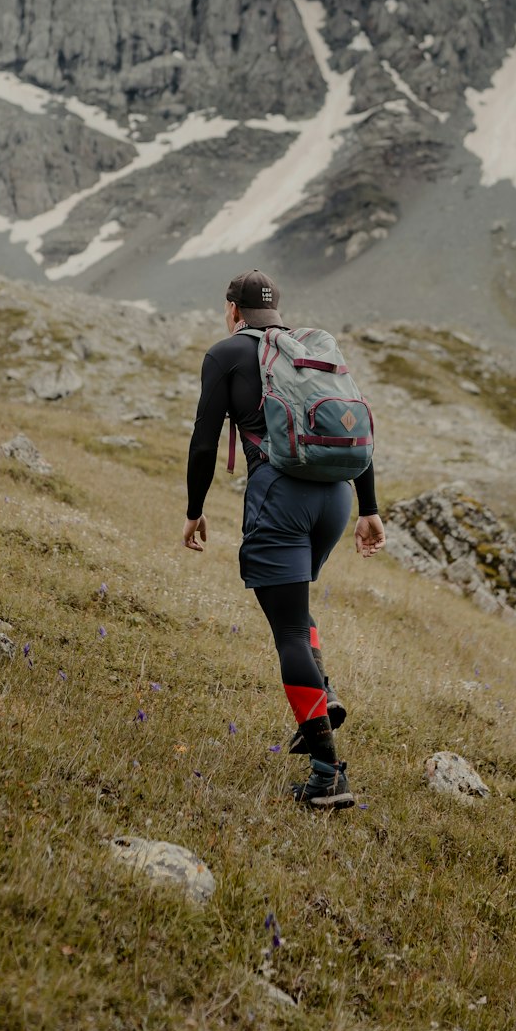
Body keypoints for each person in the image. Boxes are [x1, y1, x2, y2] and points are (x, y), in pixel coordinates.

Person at [182, 269, 385, 810]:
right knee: (295, 613)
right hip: (335, 498)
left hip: (282, 496)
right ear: (276, 310)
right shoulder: (308, 351)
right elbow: (353, 423)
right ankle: (325, 694)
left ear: (232, 309)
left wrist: (194, 511)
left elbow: (204, 444)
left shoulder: (225, 354)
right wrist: (368, 509)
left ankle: (327, 775)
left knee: (290, 630)